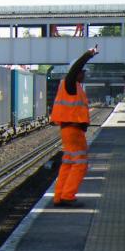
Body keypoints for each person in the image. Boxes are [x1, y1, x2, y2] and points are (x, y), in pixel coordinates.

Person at [49, 46, 99, 208]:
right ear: (77, 72)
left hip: (68, 130)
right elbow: (75, 68)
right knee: (80, 164)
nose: (84, 75)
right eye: (82, 72)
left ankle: (59, 196)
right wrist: (88, 55)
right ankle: (68, 196)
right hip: (73, 131)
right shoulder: (70, 84)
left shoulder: (73, 87)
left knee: (68, 163)